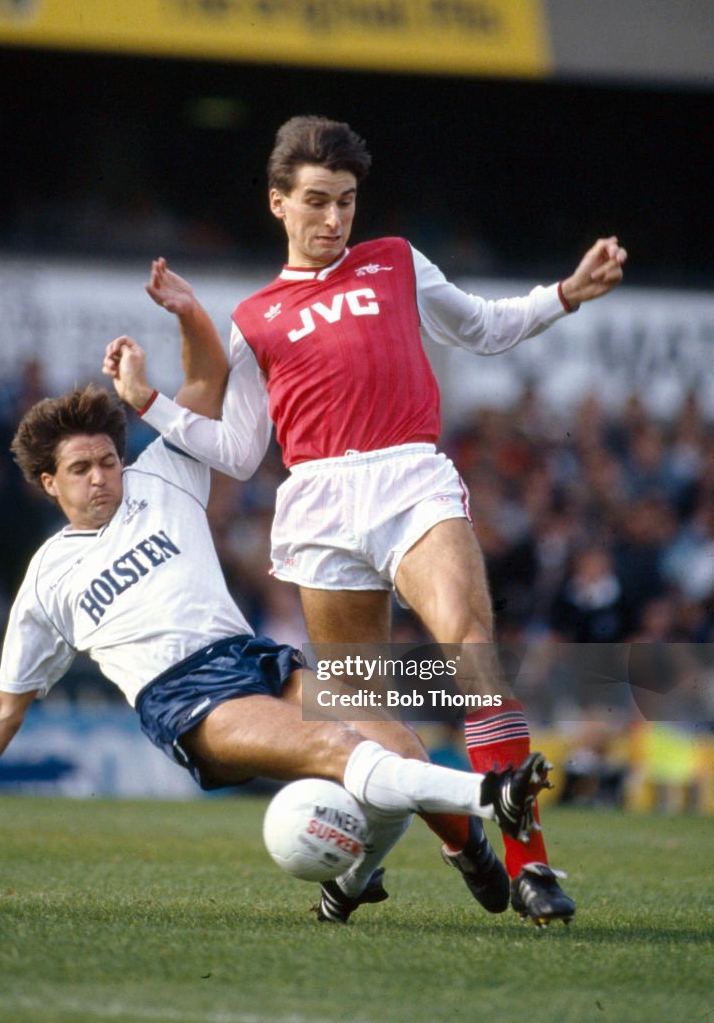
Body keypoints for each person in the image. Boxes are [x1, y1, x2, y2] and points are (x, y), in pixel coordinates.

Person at [0, 343, 555, 927]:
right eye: (81, 469)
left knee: (394, 740)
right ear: (49, 483)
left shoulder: (159, 476)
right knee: (335, 746)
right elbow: (5, 705)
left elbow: (205, 381)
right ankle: (490, 796)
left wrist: (187, 311)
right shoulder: (47, 578)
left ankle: (375, 879)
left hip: (250, 655)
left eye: (107, 461)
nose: (102, 478)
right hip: (185, 699)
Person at [135, 115, 628, 926]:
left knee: (470, 645)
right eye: (319, 202)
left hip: (408, 477)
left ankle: (531, 864)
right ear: (278, 204)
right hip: (317, 503)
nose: (335, 220)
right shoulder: (255, 318)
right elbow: (238, 447)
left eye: (348, 201)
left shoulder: (395, 261)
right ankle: (445, 844)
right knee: (367, 714)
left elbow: (482, 325)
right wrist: (148, 403)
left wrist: (566, 294)